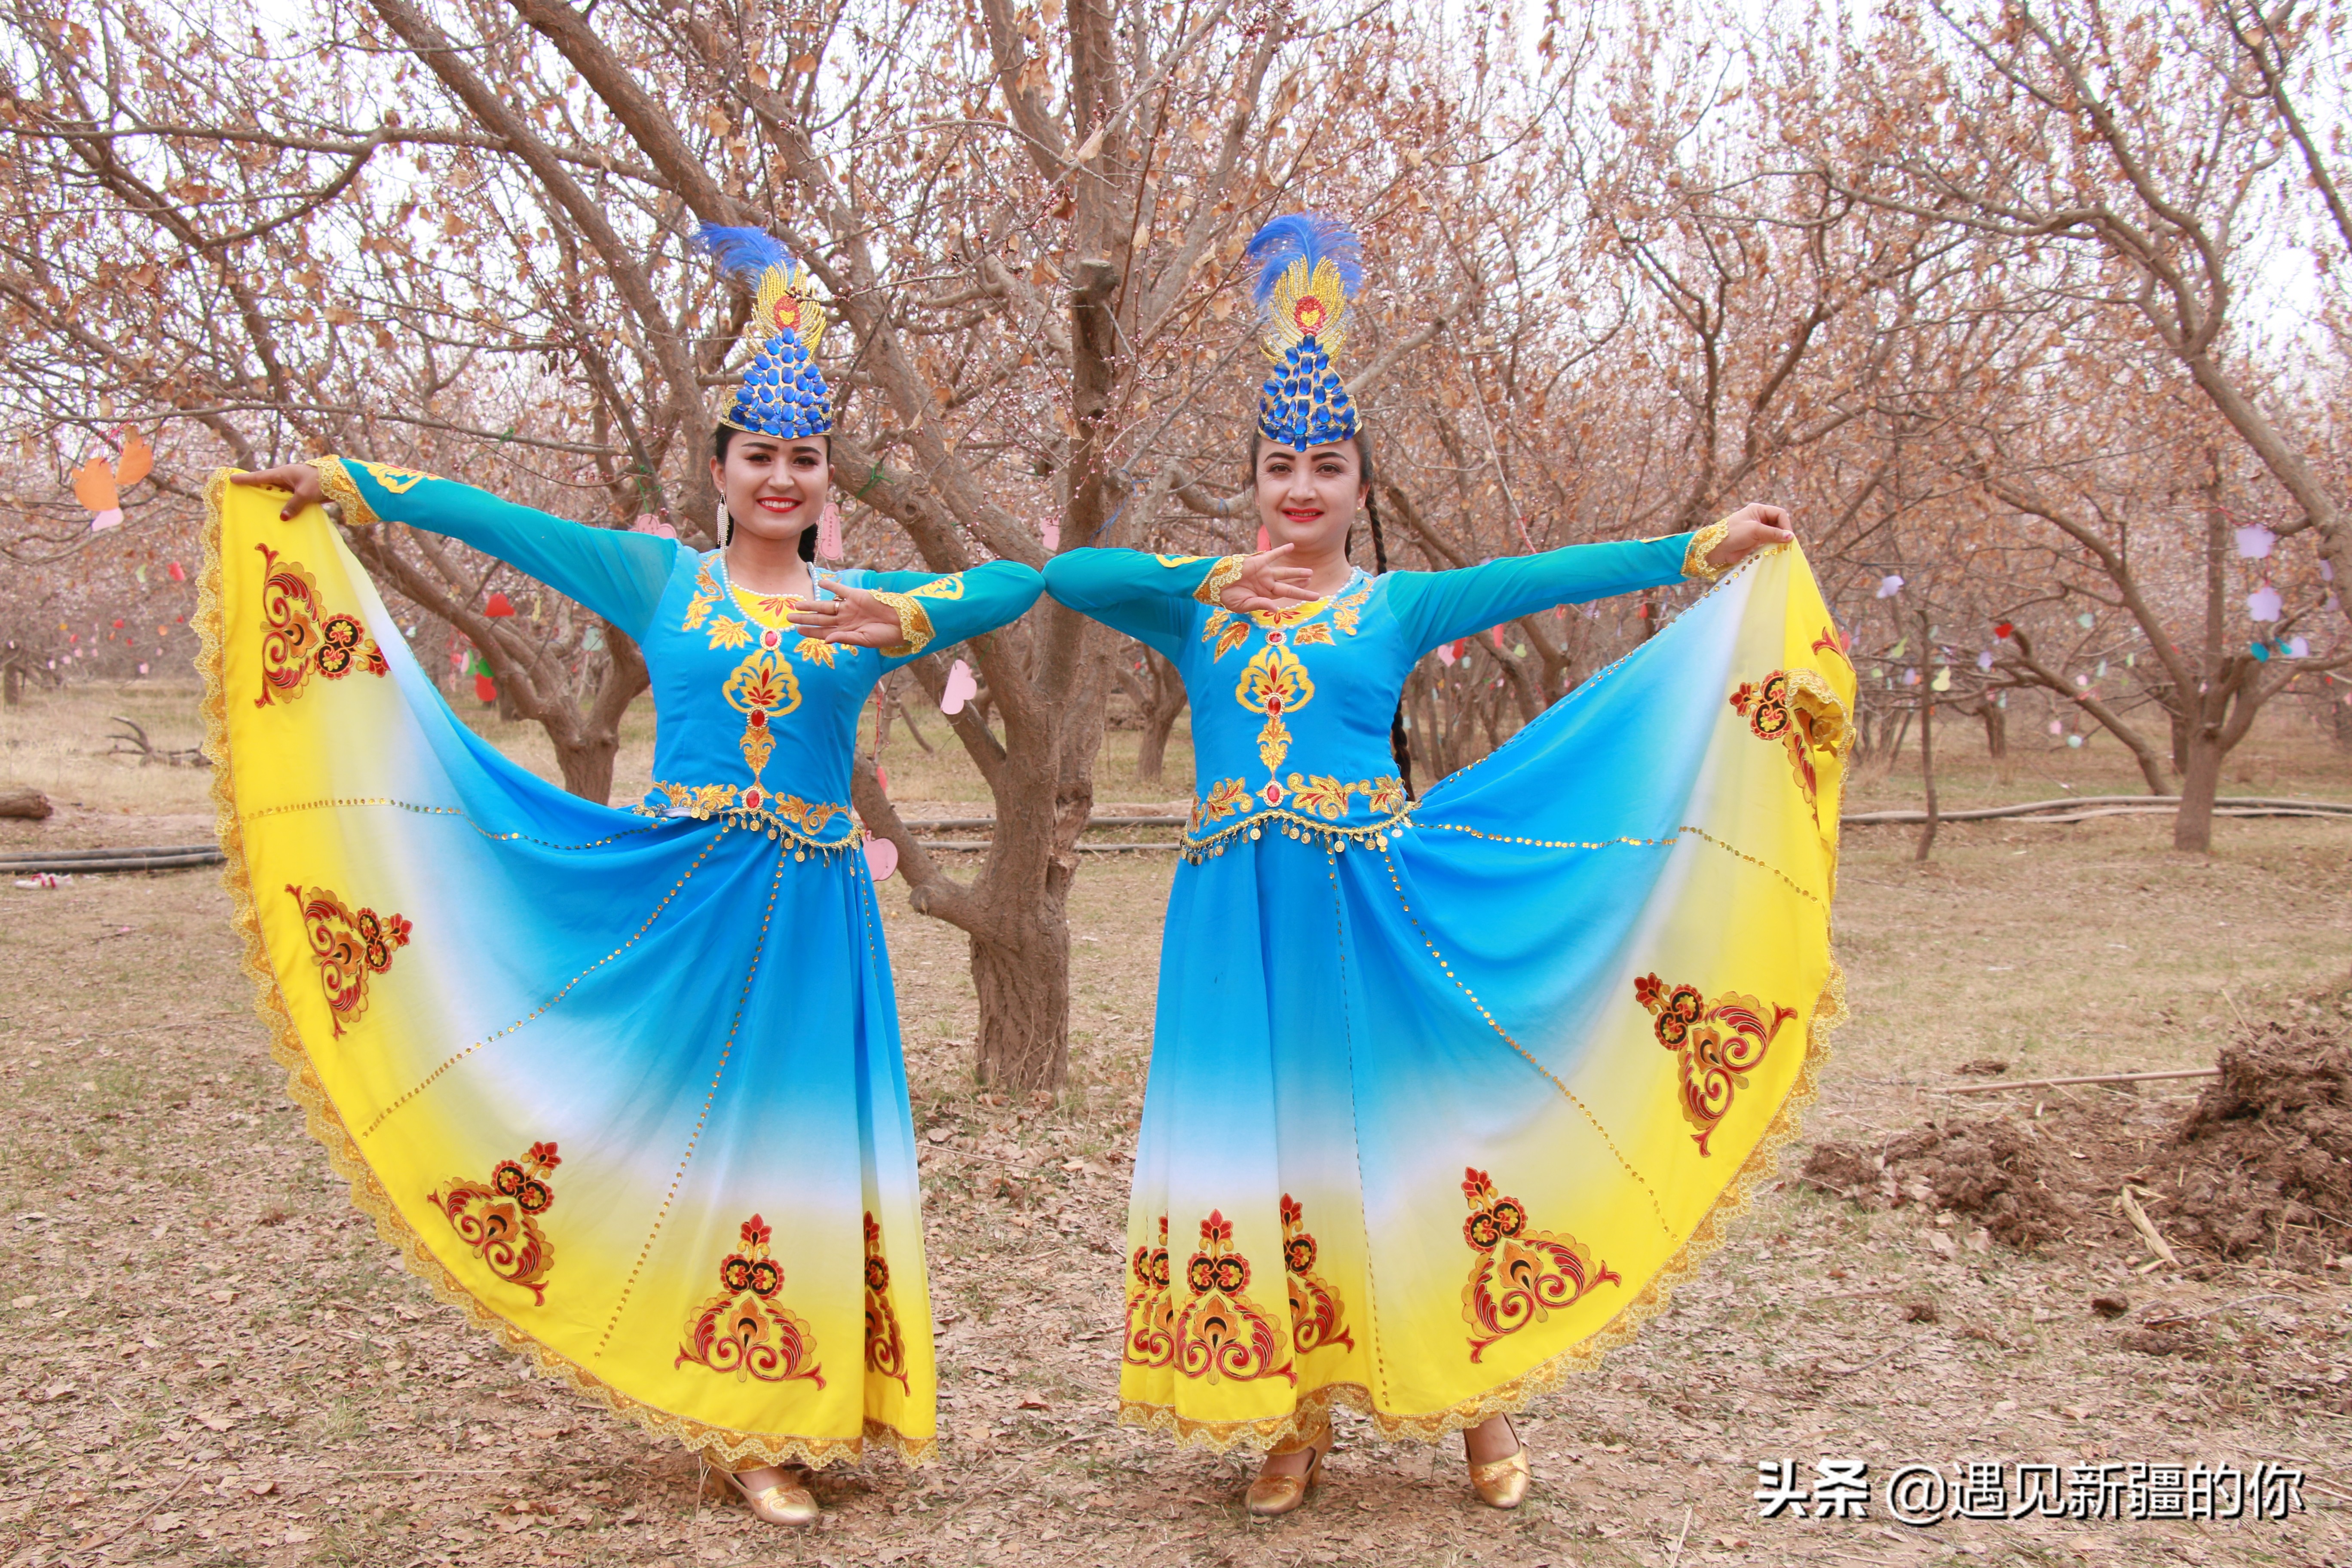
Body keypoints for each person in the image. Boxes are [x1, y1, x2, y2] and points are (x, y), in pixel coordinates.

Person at [210, 226, 1042, 1525]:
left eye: (804, 459)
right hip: (684, 900)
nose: (782, 477)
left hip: (817, 916)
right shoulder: (660, 576)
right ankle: (730, 1421)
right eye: (758, 455)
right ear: (719, 469)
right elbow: (500, 520)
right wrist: (352, 481)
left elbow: (1024, 581)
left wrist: (916, 618)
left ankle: (798, 1402)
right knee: (689, 1145)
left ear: (831, 480)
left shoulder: (861, 601)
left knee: (802, 1153)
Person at [1042, 214, 1850, 1516]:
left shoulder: (1398, 606)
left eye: (1326, 469)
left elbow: (1536, 579)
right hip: (1234, 925)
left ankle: (1479, 1402)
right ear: (1251, 479)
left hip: (1371, 909)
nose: (1301, 491)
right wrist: (1210, 571)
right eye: (1279, 468)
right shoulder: (1201, 601)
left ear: (1361, 485)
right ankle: (1292, 1422)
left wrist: (1694, 551)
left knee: (1415, 1143)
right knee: (1275, 1152)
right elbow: (1065, 572)